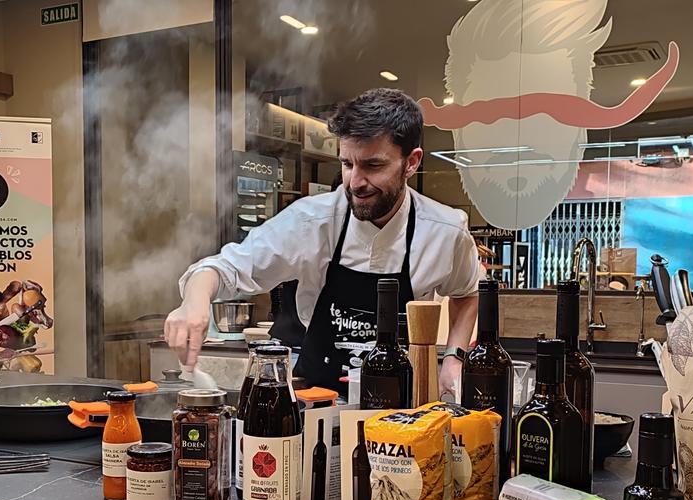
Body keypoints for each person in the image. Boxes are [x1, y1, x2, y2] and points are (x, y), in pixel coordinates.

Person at [165, 88, 481, 397]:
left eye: (373, 166)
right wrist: (194, 300)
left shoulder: (445, 231)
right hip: (318, 399)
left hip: (401, 406)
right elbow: (226, 268)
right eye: (347, 164)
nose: (355, 182)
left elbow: (466, 294)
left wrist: (454, 358)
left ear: (411, 162)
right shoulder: (310, 222)